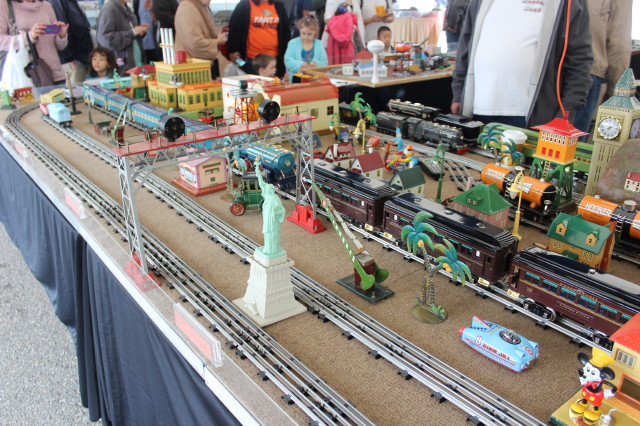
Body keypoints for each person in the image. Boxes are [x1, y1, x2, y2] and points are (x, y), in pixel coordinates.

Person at [451, 0, 593, 129]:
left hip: (532, 117)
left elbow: (579, 59)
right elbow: (466, 43)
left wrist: (567, 110)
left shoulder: (568, 3)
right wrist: (458, 93)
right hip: (478, 110)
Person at [573, 0, 632, 139]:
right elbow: (619, 44)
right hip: (587, 74)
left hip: (547, 70)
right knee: (571, 146)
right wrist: (618, 98)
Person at [0, 0, 69, 85]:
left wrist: (61, 36)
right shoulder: (4, 5)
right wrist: (29, 36)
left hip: (55, 74)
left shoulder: (46, 5)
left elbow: (60, 47)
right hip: (27, 76)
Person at [227, 0, 290, 78]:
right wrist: (233, 50)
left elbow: (285, 31)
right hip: (251, 59)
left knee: (274, 84)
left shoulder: (279, 5)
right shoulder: (244, 4)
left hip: (274, 58)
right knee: (253, 84)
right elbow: (234, 28)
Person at [174, 0, 227, 79]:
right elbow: (195, 43)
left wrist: (216, 38)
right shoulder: (187, 9)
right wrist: (217, 41)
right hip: (192, 71)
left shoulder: (200, 7)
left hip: (202, 68)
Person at [47, 0, 93, 86]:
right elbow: (63, 30)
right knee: (75, 90)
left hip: (83, 57)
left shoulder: (71, 2)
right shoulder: (58, 2)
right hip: (73, 60)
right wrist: (69, 58)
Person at [96, 0, 149, 72]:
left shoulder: (126, 8)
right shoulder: (109, 8)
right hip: (122, 66)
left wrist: (140, 30)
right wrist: (133, 32)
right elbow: (105, 38)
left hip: (135, 63)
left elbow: (131, 33)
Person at [254, 159, 286, 258]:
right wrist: (257, 170)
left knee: (272, 235)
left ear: (271, 190)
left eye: (267, 188)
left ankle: (273, 250)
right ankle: (268, 249)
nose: (265, 189)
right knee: (267, 234)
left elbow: (282, 210)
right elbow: (261, 183)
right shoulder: (267, 196)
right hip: (267, 219)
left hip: (272, 221)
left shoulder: (274, 198)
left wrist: (274, 213)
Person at [284, 15, 327, 80]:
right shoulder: (293, 43)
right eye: (303, 33)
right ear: (299, 31)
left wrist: (316, 64)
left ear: (315, 33)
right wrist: (301, 64)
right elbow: (288, 60)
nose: (306, 36)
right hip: (296, 78)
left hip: (315, 79)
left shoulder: (319, 44)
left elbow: (324, 62)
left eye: (309, 34)